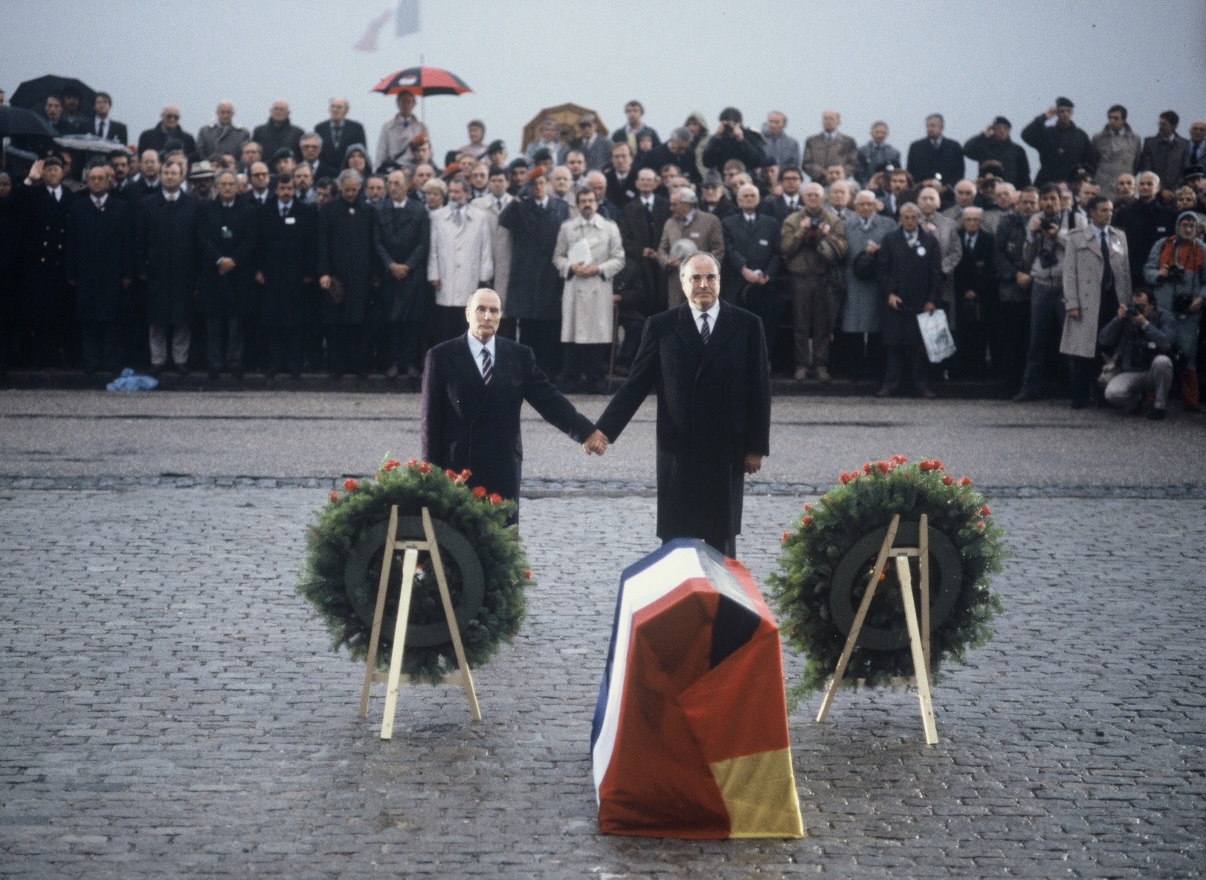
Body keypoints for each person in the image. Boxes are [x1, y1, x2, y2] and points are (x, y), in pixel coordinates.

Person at [594, 252, 771, 558]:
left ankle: (720, 589)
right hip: (678, 449)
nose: (703, 284)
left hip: (726, 448)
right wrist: (603, 431)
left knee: (720, 541)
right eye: (696, 278)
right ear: (682, 282)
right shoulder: (661, 326)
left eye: (710, 277)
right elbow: (635, 385)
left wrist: (756, 447)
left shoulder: (747, 325)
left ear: (720, 281)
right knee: (675, 541)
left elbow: (760, 390)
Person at [420, 288, 606, 521]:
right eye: (481, 309)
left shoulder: (518, 356)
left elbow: (549, 400)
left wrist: (585, 432)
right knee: (459, 539)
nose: (487, 316)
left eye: (494, 311)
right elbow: (430, 422)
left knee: (503, 538)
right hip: (458, 470)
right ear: (467, 314)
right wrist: (430, 476)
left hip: (502, 468)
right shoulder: (441, 357)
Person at [1061, 196, 1132, 408]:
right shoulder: (1077, 237)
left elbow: (1125, 272)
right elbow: (1069, 273)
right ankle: (1080, 396)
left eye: (1110, 210)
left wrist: (1126, 302)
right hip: (1087, 301)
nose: (1108, 214)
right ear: (1092, 212)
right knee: (1082, 351)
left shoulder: (1118, 236)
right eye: (1103, 210)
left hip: (1112, 299)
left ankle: (1103, 395)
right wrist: (1071, 302)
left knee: (1107, 348)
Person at [553, 188, 624, 392]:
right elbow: (557, 257)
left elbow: (619, 258)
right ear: (577, 204)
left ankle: (596, 380)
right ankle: (571, 379)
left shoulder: (609, 227)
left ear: (597, 203)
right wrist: (571, 267)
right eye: (583, 200)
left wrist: (598, 269)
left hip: (598, 286)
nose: (587, 204)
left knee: (597, 334)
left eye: (590, 200)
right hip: (575, 285)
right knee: (573, 333)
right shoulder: (568, 227)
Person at [498, 169, 568, 376]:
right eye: (533, 184)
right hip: (527, 275)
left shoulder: (560, 207)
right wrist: (519, 194)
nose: (537, 187)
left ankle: (548, 371)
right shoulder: (522, 206)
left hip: (550, 274)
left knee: (549, 327)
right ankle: (528, 371)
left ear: (548, 184)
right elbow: (504, 220)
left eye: (541, 183)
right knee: (528, 328)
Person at [66, 163, 133, 374]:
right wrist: (71, 272)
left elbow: (127, 243)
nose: (96, 182)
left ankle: (110, 360)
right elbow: (71, 242)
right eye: (92, 178)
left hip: (112, 273)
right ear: (87, 182)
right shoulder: (77, 207)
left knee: (111, 318)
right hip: (86, 273)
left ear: (108, 182)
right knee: (88, 319)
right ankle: (91, 361)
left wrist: (127, 273)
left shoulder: (121, 207)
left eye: (100, 178)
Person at [137, 160, 199, 375]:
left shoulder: (193, 205)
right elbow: (140, 239)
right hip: (157, 271)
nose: (170, 177)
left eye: (174, 173)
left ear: (182, 177)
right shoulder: (147, 204)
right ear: (161, 175)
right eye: (166, 173)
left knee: (182, 318)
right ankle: (158, 360)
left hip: (184, 271)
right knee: (157, 318)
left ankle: (180, 359)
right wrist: (142, 269)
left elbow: (197, 241)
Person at [780, 182, 846, 380]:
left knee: (822, 325)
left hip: (824, 278)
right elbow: (785, 248)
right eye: (809, 195)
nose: (813, 198)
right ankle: (801, 364)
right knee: (800, 325)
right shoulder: (792, 220)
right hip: (800, 278)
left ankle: (820, 365)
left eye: (817, 195)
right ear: (803, 198)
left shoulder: (833, 220)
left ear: (824, 197)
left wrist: (828, 236)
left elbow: (842, 250)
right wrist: (801, 232)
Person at [877, 202, 943, 398]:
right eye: (906, 217)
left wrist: (932, 299)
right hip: (896, 301)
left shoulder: (929, 241)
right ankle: (890, 384)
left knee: (918, 347)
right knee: (894, 345)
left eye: (914, 218)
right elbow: (882, 270)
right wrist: (890, 293)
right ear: (900, 219)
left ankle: (922, 385)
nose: (910, 221)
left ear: (919, 219)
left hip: (920, 301)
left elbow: (936, 273)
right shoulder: (889, 240)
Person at [197, 170, 258, 380]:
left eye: (231, 184)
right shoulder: (206, 209)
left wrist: (234, 260)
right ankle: (214, 363)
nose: (227, 188)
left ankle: (234, 362)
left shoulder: (248, 210)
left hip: (238, 274)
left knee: (236, 322)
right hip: (213, 273)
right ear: (216, 186)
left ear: (237, 187)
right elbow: (202, 237)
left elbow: (251, 239)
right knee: (213, 321)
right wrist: (218, 259)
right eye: (223, 184)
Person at [1144, 211, 1206, 411]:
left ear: (1197, 229)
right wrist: (1160, 273)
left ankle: (1191, 401)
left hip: (1189, 311)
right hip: (1163, 309)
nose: (1188, 229)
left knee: (1188, 353)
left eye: (1192, 226)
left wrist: (1201, 298)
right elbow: (1147, 271)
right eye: (1184, 225)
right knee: (1158, 349)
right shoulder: (1163, 244)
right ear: (1177, 226)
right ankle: (1152, 397)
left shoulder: (1202, 249)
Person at [317, 170, 377, 377]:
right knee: (336, 323)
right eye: (346, 190)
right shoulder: (328, 210)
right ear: (340, 188)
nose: (350, 194)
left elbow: (373, 243)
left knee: (360, 323)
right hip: (337, 276)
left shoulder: (368, 211)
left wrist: (374, 273)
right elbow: (323, 243)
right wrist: (324, 272)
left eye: (354, 190)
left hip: (362, 276)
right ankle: (337, 366)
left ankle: (359, 365)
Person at [257, 173, 317, 378]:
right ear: (276, 190)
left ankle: (293, 363)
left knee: (295, 322)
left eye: (289, 189)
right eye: (282, 189)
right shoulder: (264, 211)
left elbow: (311, 245)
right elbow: (258, 243)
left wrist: (309, 271)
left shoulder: (306, 212)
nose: (286, 192)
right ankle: (275, 362)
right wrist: (259, 269)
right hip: (272, 275)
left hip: (296, 276)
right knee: (274, 321)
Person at [373, 169, 430, 378]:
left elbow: (423, 242)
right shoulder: (379, 209)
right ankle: (393, 362)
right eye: (390, 183)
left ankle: (410, 362)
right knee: (391, 320)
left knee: (412, 320)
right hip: (390, 274)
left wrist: (408, 266)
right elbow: (377, 241)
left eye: (397, 183)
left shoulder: (419, 210)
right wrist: (390, 264)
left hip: (411, 275)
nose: (392, 188)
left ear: (407, 185)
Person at [722, 183, 783, 367]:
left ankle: (764, 362)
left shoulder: (771, 223)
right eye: (745, 196)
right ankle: (738, 363)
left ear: (758, 199)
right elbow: (728, 250)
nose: (749, 199)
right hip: (737, 283)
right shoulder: (728, 223)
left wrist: (768, 274)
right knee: (737, 324)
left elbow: (776, 253)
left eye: (752, 196)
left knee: (765, 325)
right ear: (738, 200)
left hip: (764, 284)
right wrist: (743, 269)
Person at [427, 177, 493, 344]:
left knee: (467, 321)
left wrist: (484, 277)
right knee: (445, 324)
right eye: (451, 192)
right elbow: (433, 249)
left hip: (470, 276)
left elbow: (485, 248)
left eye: (457, 192)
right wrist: (434, 274)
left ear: (467, 194)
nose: (453, 196)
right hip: (446, 276)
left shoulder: (480, 217)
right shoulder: (437, 216)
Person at [1097, 289, 1175, 419]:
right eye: (1134, 305)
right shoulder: (1128, 316)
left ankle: (1159, 406)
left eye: (1141, 306)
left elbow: (1166, 343)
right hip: (1131, 370)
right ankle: (1136, 401)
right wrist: (1117, 319)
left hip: (1154, 370)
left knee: (1163, 361)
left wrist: (1145, 324)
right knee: (1112, 393)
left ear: (1152, 305)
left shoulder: (1164, 316)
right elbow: (1103, 340)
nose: (1137, 310)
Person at [951, 207, 997, 378]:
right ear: (962, 221)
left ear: (981, 222)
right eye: (968, 220)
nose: (971, 223)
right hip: (958, 293)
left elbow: (992, 268)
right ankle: (959, 372)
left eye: (975, 220)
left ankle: (978, 371)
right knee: (960, 333)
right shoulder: (955, 237)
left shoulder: (989, 240)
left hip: (982, 295)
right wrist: (964, 290)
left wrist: (976, 290)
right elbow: (954, 267)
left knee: (980, 333)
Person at [1022, 97, 1096, 186]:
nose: (1065, 114)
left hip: (1071, 183)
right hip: (1047, 182)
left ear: (1072, 113)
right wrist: (1044, 117)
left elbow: (1090, 162)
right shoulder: (1047, 133)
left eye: (1068, 111)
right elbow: (1026, 135)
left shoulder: (1080, 136)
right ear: (1056, 113)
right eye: (1061, 111)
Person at [906, 114, 964, 205]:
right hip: (921, 194)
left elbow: (959, 171)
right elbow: (910, 171)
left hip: (948, 196)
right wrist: (922, 184)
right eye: (928, 126)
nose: (930, 128)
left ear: (942, 127)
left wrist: (947, 187)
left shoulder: (954, 147)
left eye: (933, 126)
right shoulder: (916, 147)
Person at [963, 117, 1030, 189]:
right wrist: (983, 134)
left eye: (1005, 128)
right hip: (987, 188)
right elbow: (967, 150)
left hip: (1009, 189)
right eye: (998, 128)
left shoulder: (1017, 150)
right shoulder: (984, 147)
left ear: (1009, 130)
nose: (1002, 131)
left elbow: (1024, 174)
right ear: (993, 130)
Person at [1091, 105, 1141, 202]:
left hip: (1125, 183)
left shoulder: (1134, 139)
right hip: (1104, 183)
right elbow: (1093, 160)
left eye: (1116, 118)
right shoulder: (1098, 138)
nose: (1112, 121)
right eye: (1110, 118)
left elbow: (1137, 162)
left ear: (1124, 120)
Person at [1140, 111, 1189, 196]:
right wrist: (1161, 189)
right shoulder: (1150, 143)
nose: (1161, 127)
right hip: (1154, 192)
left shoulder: (1184, 145)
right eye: (1160, 124)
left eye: (1164, 124)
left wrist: (1174, 190)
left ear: (1174, 126)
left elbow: (1185, 170)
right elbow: (1147, 168)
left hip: (1177, 193)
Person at [376, 91, 428, 171]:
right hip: (393, 169)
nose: (406, 105)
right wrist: (378, 170)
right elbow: (381, 153)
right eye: (403, 101)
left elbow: (427, 152)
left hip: (414, 169)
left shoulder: (421, 127)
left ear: (414, 104)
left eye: (409, 101)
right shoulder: (387, 127)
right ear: (397, 103)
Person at [802, 110, 857, 182]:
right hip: (818, 182)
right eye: (826, 119)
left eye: (831, 119)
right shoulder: (812, 141)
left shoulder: (848, 141)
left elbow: (853, 163)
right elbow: (806, 163)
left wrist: (837, 173)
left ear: (838, 122)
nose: (828, 121)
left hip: (840, 183)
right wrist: (824, 172)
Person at [316, 98, 367, 173]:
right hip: (325, 172)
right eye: (332, 106)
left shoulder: (356, 128)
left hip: (349, 172)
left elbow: (362, 152)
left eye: (339, 107)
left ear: (346, 111)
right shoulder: (320, 128)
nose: (335, 110)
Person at [857, 122, 902, 187]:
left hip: (887, 187)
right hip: (866, 185)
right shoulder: (862, 151)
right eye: (877, 132)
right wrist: (867, 185)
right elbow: (859, 171)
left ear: (887, 134)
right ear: (871, 133)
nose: (880, 135)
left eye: (883, 133)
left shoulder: (894, 153)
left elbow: (897, 172)